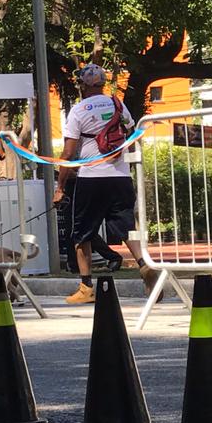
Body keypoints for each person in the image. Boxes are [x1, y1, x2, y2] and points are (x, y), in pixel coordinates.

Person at [58, 64, 154, 304]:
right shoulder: (118, 104)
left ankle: (86, 287)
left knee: (82, 233)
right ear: (102, 84)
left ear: (83, 85)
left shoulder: (79, 111)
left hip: (91, 178)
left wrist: (59, 186)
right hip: (120, 177)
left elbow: (68, 153)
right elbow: (131, 139)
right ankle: (144, 265)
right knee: (124, 226)